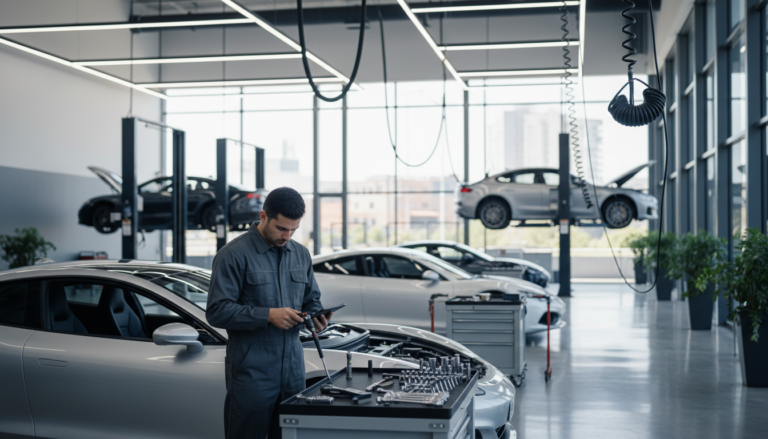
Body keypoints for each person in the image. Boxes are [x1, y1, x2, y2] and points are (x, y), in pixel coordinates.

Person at [206, 187, 331, 439]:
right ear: (263, 216)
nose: (287, 236)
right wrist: (268, 315)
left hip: (294, 369)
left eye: (294, 229)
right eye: (281, 228)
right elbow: (217, 312)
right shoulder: (233, 255)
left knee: (290, 435)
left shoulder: (300, 254)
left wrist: (317, 315)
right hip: (252, 370)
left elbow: (311, 298)